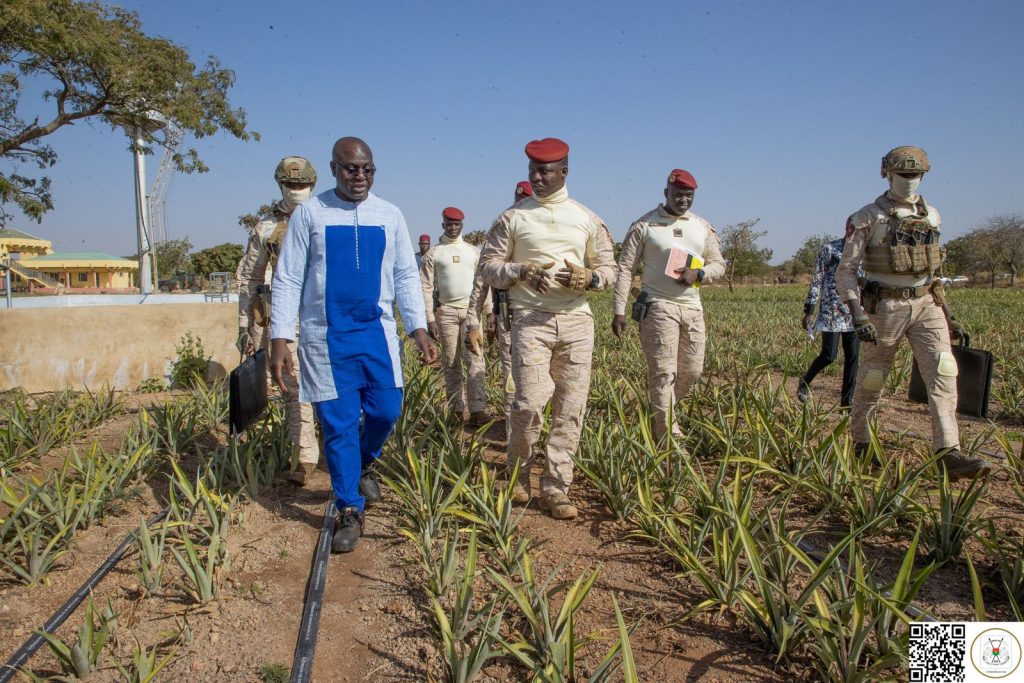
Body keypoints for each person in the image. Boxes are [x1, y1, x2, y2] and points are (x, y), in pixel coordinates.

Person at [270, 137, 437, 552]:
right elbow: (288, 278)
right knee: (340, 424)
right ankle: (349, 507)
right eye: (350, 169)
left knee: (387, 410)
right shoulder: (310, 214)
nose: (359, 176)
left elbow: (404, 275)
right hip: (325, 338)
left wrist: (418, 327)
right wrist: (279, 337)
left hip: (376, 334)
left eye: (367, 169)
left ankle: (363, 462)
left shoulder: (389, 214)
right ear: (333, 169)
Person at [478, 138, 616, 520]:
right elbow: (488, 266)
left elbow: (610, 269)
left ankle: (556, 489)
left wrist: (590, 279)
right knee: (528, 405)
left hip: (576, 323)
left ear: (564, 173)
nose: (536, 178)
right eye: (532, 171)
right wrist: (520, 271)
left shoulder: (586, 218)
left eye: (545, 171)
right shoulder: (513, 218)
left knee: (571, 409)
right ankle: (519, 478)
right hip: (530, 322)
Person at [835, 145, 990, 481]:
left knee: (944, 373)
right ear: (887, 174)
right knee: (874, 377)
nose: (909, 181)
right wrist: (858, 313)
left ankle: (948, 451)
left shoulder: (932, 216)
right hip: (885, 307)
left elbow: (932, 272)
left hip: (926, 305)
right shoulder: (867, 218)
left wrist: (948, 312)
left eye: (914, 175)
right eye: (903, 174)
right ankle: (861, 441)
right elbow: (845, 271)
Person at [611, 169, 726, 444]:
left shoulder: (702, 226)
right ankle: (668, 439)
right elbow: (625, 268)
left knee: (692, 372)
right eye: (678, 194)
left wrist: (700, 274)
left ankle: (660, 413)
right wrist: (619, 310)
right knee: (663, 373)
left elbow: (719, 264)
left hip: (693, 307)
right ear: (666, 193)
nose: (683, 200)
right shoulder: (645, 225)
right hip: (658, 307)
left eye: (689, 195)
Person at [235, 156, 320, 486]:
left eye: (301, 185)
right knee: (293, 387)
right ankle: (305, 455)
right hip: (286, 318)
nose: (296, 191)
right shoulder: (266, 228)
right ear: (280, 186)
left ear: (312, 185)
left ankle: (336, 446)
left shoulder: (328, 218)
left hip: (326, 316)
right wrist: (245, 324)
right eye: (290, 185)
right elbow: (249, 278)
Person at [465, 181, 534, 438]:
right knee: (512, 375)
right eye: (518, 201)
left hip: (542, 319)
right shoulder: (501, 232)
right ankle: (512, 428)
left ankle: (531, 428)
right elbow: (481, 282)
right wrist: (473, 322)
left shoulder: (546, 231)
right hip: (510, 317)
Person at [420, 207, 490, 425]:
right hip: (447, 312)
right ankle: (456, 410)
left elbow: (482, 284)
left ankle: (478, 410)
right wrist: (430, 318)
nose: (452, 227)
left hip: (471, 314)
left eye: (456, 224)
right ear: (443, 225)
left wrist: (488, 311)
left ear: (461, 226)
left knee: (475, 359)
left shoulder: (473, 252)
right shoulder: (434, 253)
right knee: (451, 362)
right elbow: (425, 286)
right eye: (449, 224)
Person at [798, 229, 860, 408]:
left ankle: (846, 404)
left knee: (853, 357)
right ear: (848, 228)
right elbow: (817, 279)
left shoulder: (865, 252)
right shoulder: (830, 249)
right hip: (831, 311)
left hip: (855, 312)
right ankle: (805, 381)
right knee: (829, 355)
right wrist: (809, 310)